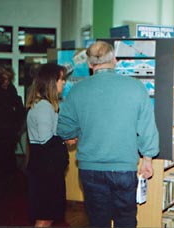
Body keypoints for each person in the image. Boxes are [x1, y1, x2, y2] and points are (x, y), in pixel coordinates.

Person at [57, 41, 159, 228]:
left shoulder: (77, 90)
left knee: (97, 221)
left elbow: (64, 129)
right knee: (125, 220)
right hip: (124, 168)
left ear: (89, 64)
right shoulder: (135, 88)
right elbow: (147, 128)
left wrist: (74, 135)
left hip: (90, 169)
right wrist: (147, 159)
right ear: (115, 60)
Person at [25, 63, 69, 227]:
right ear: (51, 81)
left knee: (47, 215)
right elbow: (46, 140)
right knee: (44, 216)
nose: (63, 82)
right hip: (45, 172)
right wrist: (65, 139)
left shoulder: (43, 105)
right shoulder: (44, 107)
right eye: (61, 79)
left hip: (44, 169)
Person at [0, 63, 25, 200]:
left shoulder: (10, 89)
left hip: (8, 135)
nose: (6, 82)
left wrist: (16, 128)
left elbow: (19, 109)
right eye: (3, 80)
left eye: (8, 79)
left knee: (7, 165)